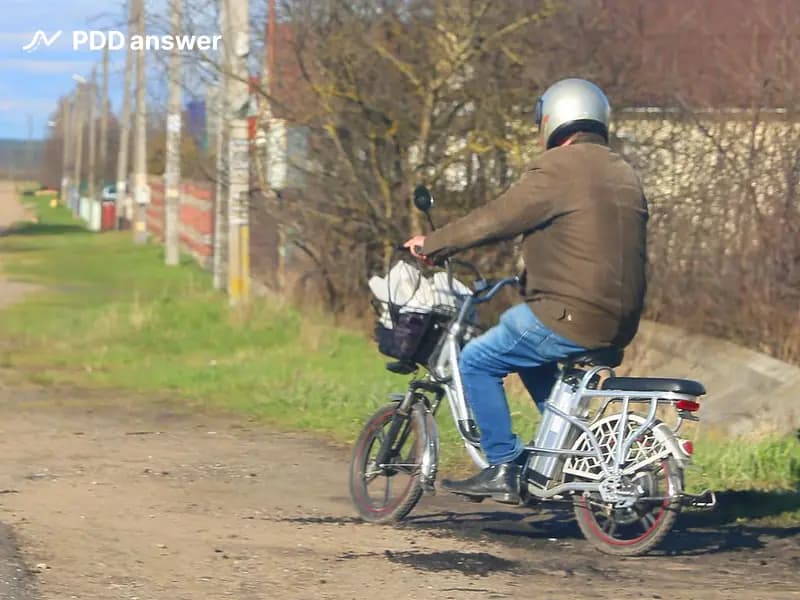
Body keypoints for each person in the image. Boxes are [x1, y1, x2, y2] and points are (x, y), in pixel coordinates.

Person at [404, 78, 649, 504]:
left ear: (555, 119)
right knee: (530, 357)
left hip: (569, 312)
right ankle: (572, 453)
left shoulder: (559, 168)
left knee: (477, 359)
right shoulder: (621, 172)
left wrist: (434, 243)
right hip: (619, 319)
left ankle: (502, 465)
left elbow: (497, 217)